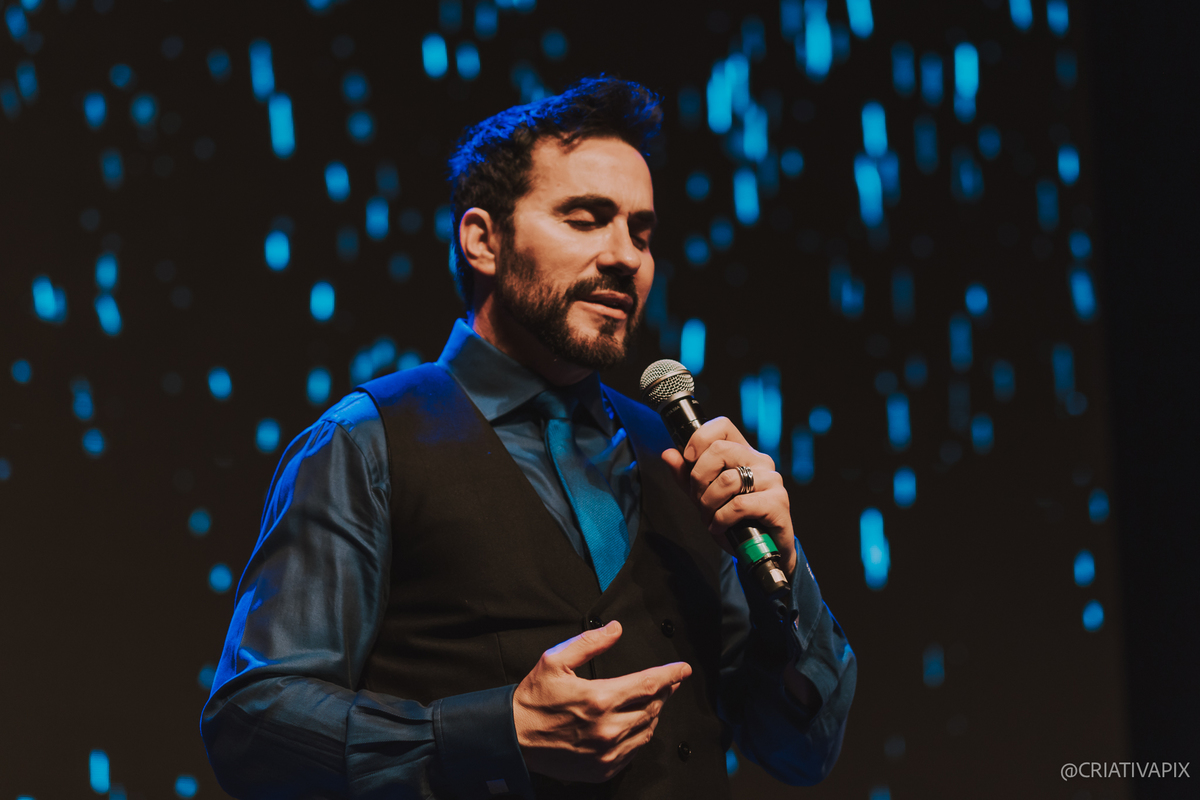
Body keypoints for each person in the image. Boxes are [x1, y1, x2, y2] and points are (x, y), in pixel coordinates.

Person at [201, 76, 856, 800]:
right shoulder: (367, 442)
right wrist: (497, 732)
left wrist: (784, 569)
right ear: (483, 240)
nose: (626, 257)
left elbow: (802, 751)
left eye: (641, 233)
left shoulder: (679, 456)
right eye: (586, 219)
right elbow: (253, 724)